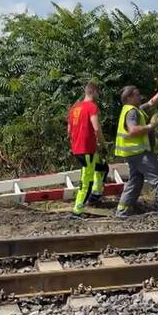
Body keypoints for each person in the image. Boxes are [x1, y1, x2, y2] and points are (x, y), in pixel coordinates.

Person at [114, 84, 158, 219]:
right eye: (137, 94)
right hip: (139, 153)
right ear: (129, 97)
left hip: (132, 154)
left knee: (136, 181)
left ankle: (122, 211)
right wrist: (152, 125)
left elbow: (151, 102)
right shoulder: (132, 112)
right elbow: (133, 130)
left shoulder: (132, 109)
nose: (140, 97)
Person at [67, 81, 108, 217]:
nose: (98, 95)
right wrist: (103, 144)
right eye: (98, 92)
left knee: (102, 168)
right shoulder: (91, 107)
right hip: (87, 150)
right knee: (86, 181)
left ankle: (96, 194)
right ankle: (78, 210)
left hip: (78, 148)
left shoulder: (74, 108)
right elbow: (96, 128)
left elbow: (69, 132)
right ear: (93, 92)